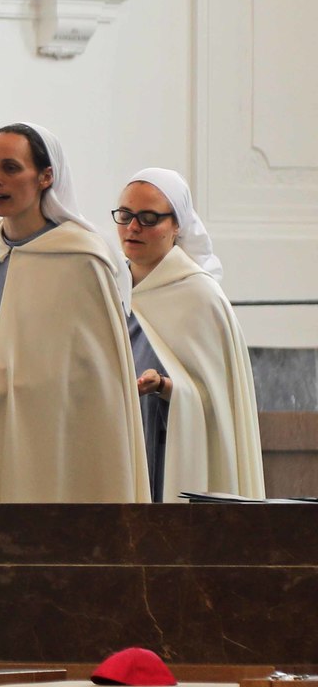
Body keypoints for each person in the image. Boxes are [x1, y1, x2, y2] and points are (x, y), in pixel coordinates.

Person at [0, 123, 147, 661]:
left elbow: (97, 389)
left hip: (54, 460)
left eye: (11, 168)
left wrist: (24, 389)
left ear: (46, 176)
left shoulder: (82, 260)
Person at [115, 169, 265, 500]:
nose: (133, 227)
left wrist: (165, 387)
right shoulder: (107, 289)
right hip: (116, 452)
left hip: (170, 455)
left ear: (177, 225)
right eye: (125, 215)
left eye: (149, 218)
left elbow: (221, 407)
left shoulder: (201, 297)